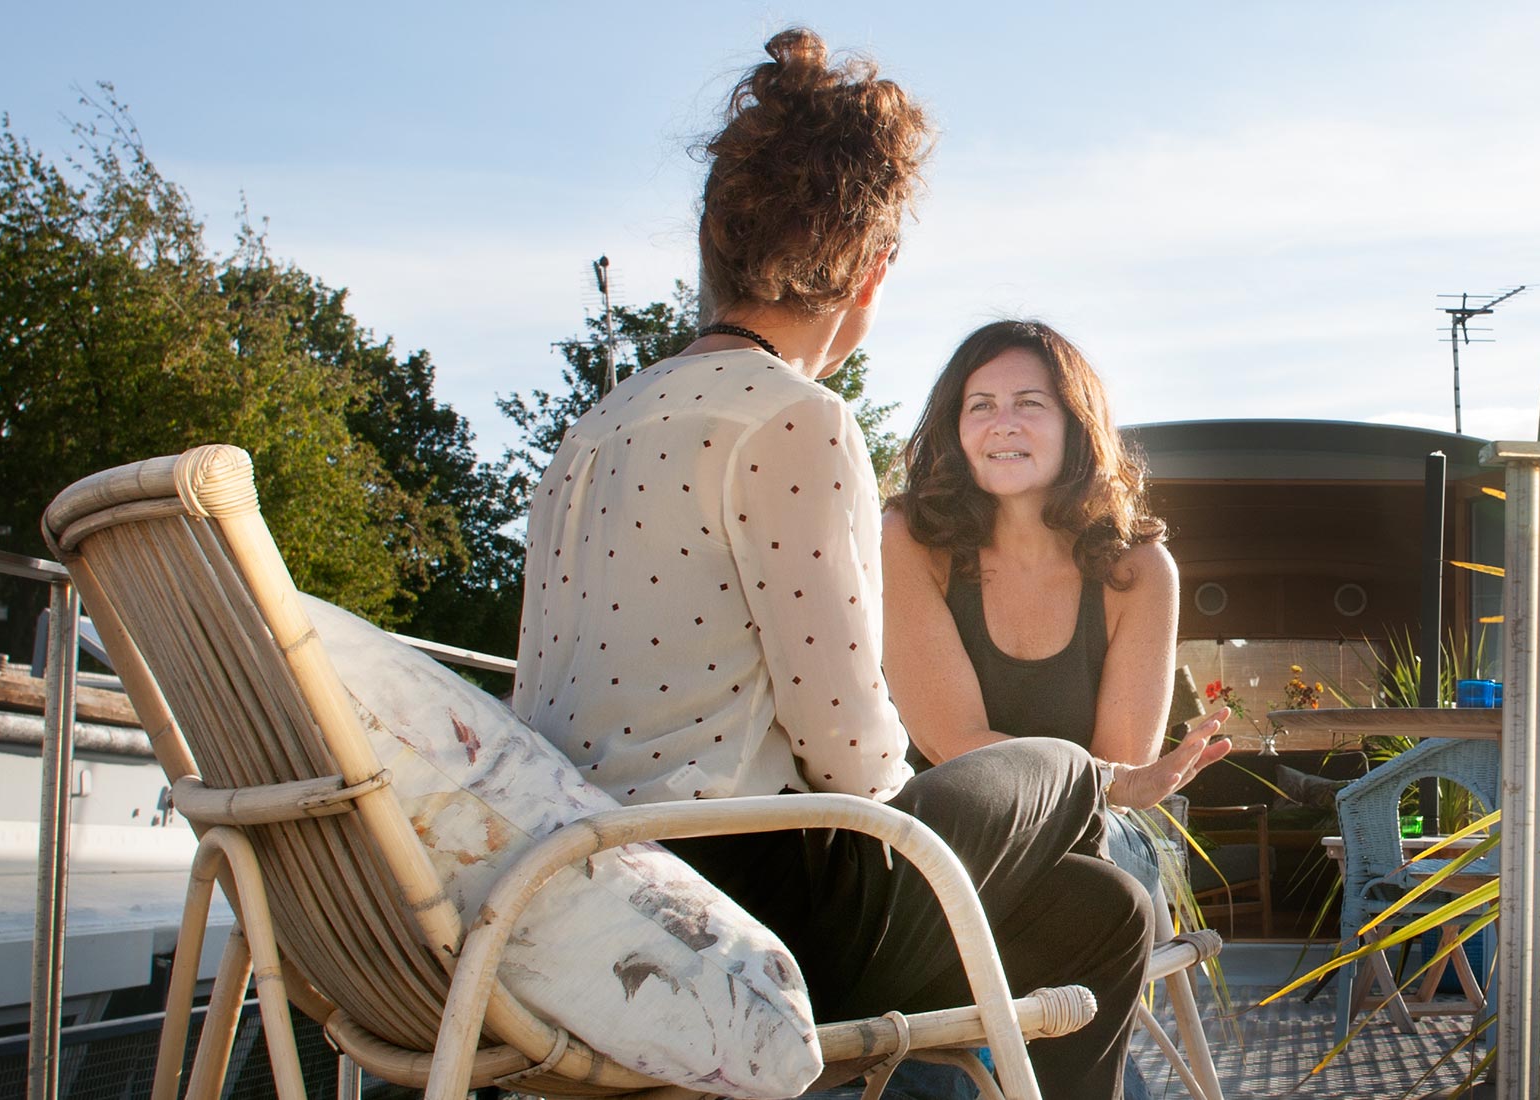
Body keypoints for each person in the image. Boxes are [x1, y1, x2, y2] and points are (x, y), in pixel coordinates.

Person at [512, 29, 1229, 1100]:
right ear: (871, 271)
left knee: (1104, 910)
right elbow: (851, 752)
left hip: (571, 880)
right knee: (1057, 773)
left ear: (716, 243)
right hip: (742, 902)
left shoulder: (592, 433)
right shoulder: (795, 420)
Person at [882, 319, 1225, 1099]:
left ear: (1076, 426)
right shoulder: (909, 538)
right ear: (955, 428)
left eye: (1029, 402)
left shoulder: (1140, 569)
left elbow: (1124, 779)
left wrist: (1112, 784)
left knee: (1089, 881)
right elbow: (956, 745)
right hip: (955, 825)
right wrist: (1108, 779)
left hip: (1095, 830)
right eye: (981, 405)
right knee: (1008, 901)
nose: (1003, 421)